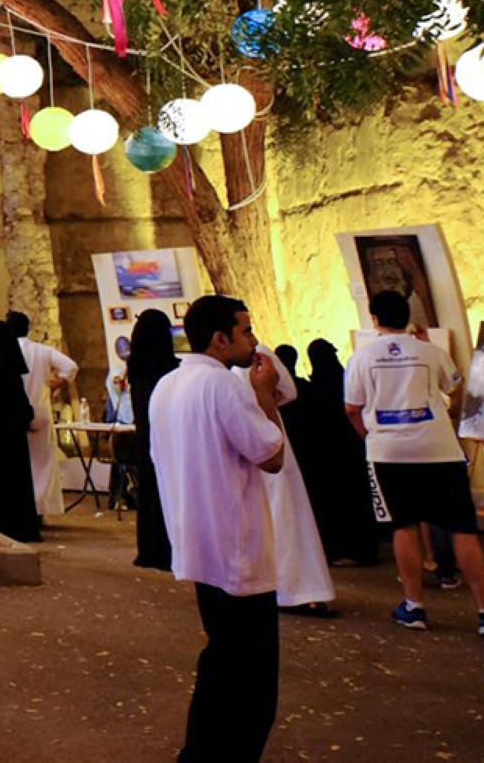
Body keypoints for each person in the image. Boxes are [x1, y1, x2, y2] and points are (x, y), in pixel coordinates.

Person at [148, 294, 287, 763]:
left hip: (198, 543)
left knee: (222, 662)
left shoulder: (167, 385)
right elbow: (271, 456)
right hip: (237, 549)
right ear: (219, 338)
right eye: (245, 331)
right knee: (252, 682)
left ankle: (200, 753)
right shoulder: (223, 386)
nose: (252, 340)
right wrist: (266, 399)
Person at [345, 289, 484, 634]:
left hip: (389, 453)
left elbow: (352, 408)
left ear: (374, 320)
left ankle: (414, 606)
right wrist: (449, 416)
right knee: (462, 529)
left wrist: (371, 437)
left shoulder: (362, 358)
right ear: (407, 318)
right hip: (439, 449)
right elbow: (456, 389)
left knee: (404, 526)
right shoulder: (430, 352)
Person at [235, 343, 337, 615]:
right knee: (285, 514)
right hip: (267, 435)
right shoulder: (257, 354)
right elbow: (289, 391)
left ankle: (271, 585)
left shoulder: (212, 368)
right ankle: (297, 587)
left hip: (247, 446)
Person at [295, 339, 379, 566]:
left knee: (335, 503)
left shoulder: (312, 389)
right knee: (358, 500)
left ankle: (341, 550)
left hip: (328, 457)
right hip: (353, 450)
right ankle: (366, 550)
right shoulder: (345, 381)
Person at [7, 311, 79, 517]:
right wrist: (58, 382)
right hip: (40, 411)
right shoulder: (42, 351)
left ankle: (20, 508)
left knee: (17, 463)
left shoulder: (6, 352)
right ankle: (40, 508)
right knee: (42, 462)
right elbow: (70, 366)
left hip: (14, 415)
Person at [0, 320, 41, 543]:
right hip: (12, 444)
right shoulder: (8, 372)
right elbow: (20, 408)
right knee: (14, 489)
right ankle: (18, 527)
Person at [127, 308, 180, 572]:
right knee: (168, 494)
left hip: (145, 437)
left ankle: (150, 549)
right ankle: (169, 550)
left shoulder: (135, 366)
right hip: (168, 439)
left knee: (150, 494)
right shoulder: (167, 367)